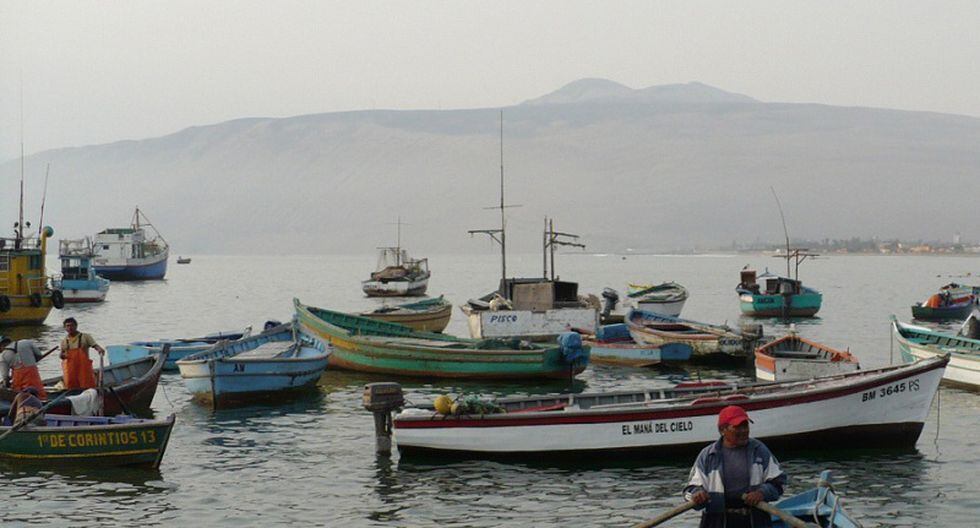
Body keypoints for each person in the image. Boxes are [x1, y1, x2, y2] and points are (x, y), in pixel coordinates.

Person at [683, 405, 786, 528]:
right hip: (717, 521)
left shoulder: (759, 450)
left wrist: (762, 493)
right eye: (737, 427)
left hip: (755, 520)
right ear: (722, 430)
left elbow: (779, 483)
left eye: (745, 426)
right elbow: (689, 491)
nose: (743, 431)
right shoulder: (708, 455)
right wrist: (697, 494)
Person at [59, 317, 106, 390]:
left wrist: (100, 350)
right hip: (71, 369)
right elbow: (61, 355)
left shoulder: (85, 337)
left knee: (86, 384)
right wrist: (62, 356)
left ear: (76, 326)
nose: (70, 328)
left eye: (72, 325)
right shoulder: (64, 341)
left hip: (83, 367)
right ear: (65, 328)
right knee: (71, 386)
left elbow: (95, 346)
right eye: (67, 326)